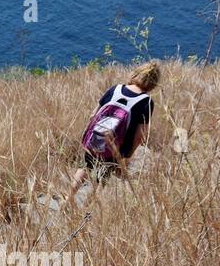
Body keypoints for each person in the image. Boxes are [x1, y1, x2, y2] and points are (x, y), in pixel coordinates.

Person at [68, 61, 160, 201]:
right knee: (102, 179)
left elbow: (93, 115)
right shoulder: (146, 102)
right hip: (116, 148)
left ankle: (68, 199)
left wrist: (88, 136)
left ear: (136, 74)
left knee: (84, 168)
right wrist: (127, 154)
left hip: (95, 139)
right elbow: (141, 135)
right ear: (153, 83)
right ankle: (89, 208)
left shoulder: (115, 89)